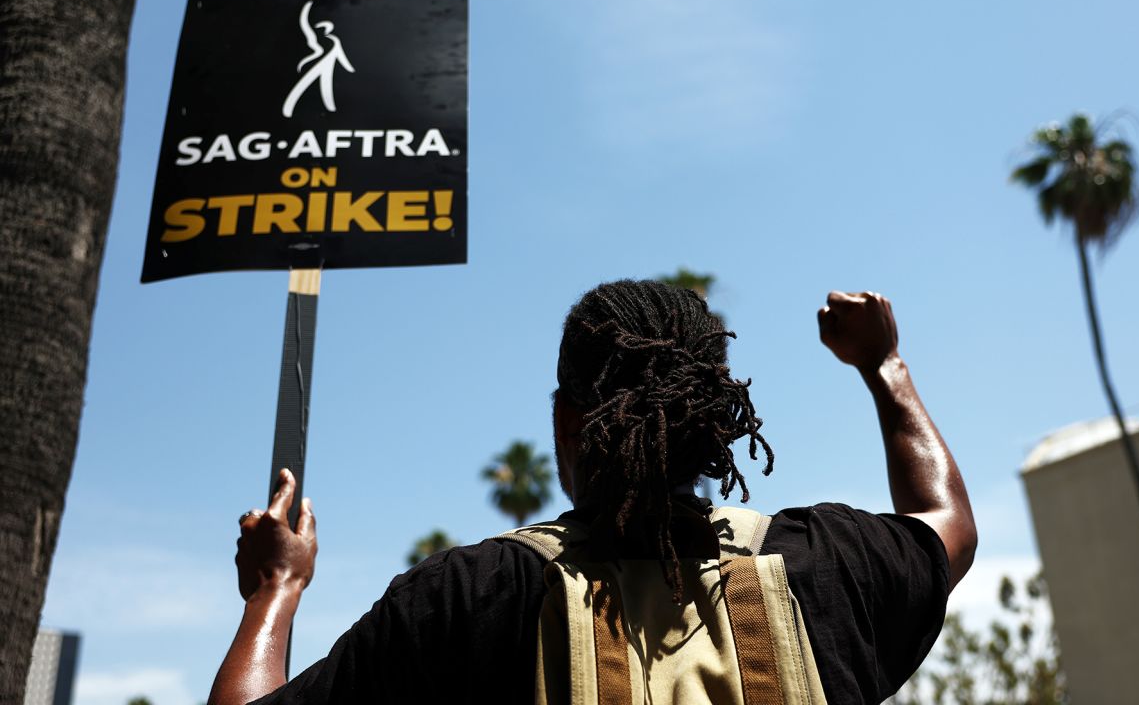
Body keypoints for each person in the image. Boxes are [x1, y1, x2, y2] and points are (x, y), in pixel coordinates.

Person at [210, 281, 977, 705]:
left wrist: (274, 591)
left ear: (566, 422)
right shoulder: (829, 567)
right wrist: (885, 367)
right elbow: (947, 525)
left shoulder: (467, 597)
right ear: (715, 423)